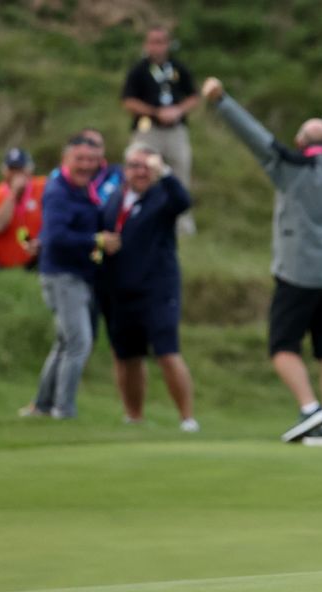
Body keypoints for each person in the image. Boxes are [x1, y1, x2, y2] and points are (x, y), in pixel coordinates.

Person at [202, 76, 322, 446]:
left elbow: (253, 135)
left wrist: (221, 101)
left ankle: (309, 409)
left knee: (282, 346)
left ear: (301, 143)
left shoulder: (288, 167)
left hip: (296, 274)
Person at [99, 143, 198, 432]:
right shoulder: (116, 198)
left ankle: (187, 419)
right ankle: (134, 416)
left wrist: (165, 172)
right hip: (120, 289)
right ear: (124, 169)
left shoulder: (163, 196)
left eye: (147, 167)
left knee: (167, 352)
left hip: (157, 290)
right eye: (134, 166)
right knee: (126, 355)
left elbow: (183, 201)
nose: (140, 172)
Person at [21, 135, 120, 419]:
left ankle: (42, 405)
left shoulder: (84, 189)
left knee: (66, 342)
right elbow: (57, 237)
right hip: (63, 277)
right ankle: (63, 409)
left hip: (74, 275)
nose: (86, 165)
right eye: (80, 159)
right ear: (65, 161)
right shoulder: (58, 191)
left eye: (91, 160)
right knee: (79, 343)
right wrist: (96, 240)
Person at [121, 25, 199, 235]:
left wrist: (178, 111)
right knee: (141, 171)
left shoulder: (177, 68)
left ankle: (182, 226)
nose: (157, 47)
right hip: (148, 130)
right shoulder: (139, 70)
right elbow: (128, 101)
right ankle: (135, 217)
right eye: (153, 42)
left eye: (161, 42)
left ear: (168, 44)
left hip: (175, 130)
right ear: (147, 44)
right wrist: (156, 112)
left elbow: (194, 96)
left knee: (180, 174)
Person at [0, 147, 46, 269]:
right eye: (12, 169)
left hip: (36, 256)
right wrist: (13, 193)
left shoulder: (43, 187)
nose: (16, 174)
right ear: (4, 171)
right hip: (2, 259)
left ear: (29, 169)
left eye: (20, 169)